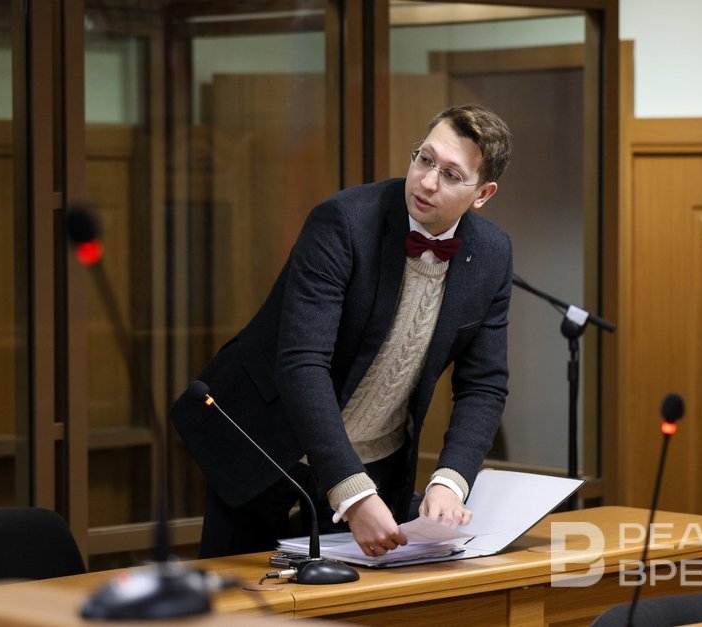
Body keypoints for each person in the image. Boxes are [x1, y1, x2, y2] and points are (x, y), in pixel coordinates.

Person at [171, 103, 513, 558]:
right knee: (239, 587)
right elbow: (302, 362)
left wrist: (451, 480)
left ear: (483, 194)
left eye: (451, 175)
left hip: (376, 455)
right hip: (268, 435)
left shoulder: (491, 254)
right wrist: (352, 491)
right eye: (425, 159)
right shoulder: (344, 222)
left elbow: (483, 384)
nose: (427, 181)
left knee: (354, 593)